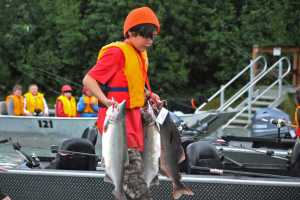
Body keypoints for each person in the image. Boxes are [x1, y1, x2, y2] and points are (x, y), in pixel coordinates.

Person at [83, 6, 162, 200]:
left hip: (135, 120)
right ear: (131, 33)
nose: (150, 42)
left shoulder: (139, 53)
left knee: (136, 176)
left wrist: (149, 95)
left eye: (152, 37)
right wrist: (104, 100)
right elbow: (89, 80)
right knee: (134, 181)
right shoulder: (116, 53)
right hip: (118, 123)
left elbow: (132, 83)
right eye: (146, 36)